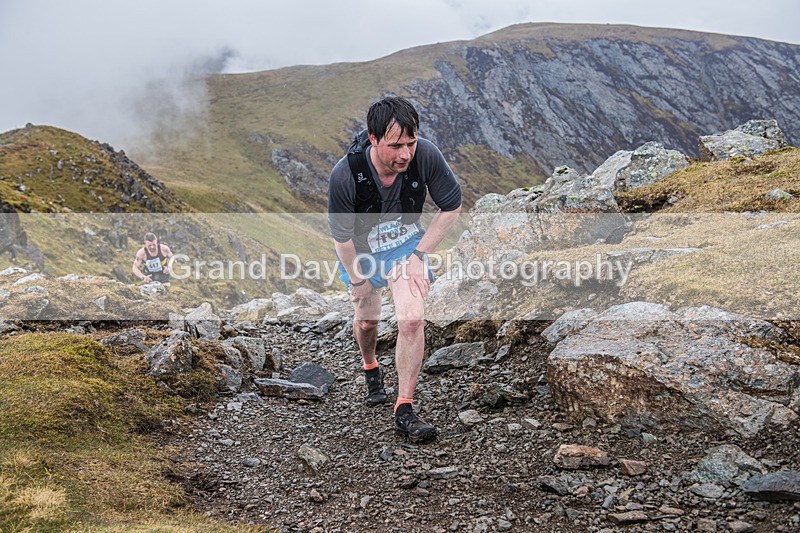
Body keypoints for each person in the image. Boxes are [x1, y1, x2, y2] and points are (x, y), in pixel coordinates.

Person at [327, 96, 462, 442]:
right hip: (361, 249)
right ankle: (371, 366)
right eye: (395, 145)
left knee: (412, 318)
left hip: (404, 246)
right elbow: (341, 237)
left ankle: (404, 407)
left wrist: (419, 255)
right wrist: (358, 279)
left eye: (411, 143)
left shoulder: (426, 155)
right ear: (373, 139)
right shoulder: (346, 174)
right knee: (368, 319)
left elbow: (452, 206)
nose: (405, 154)